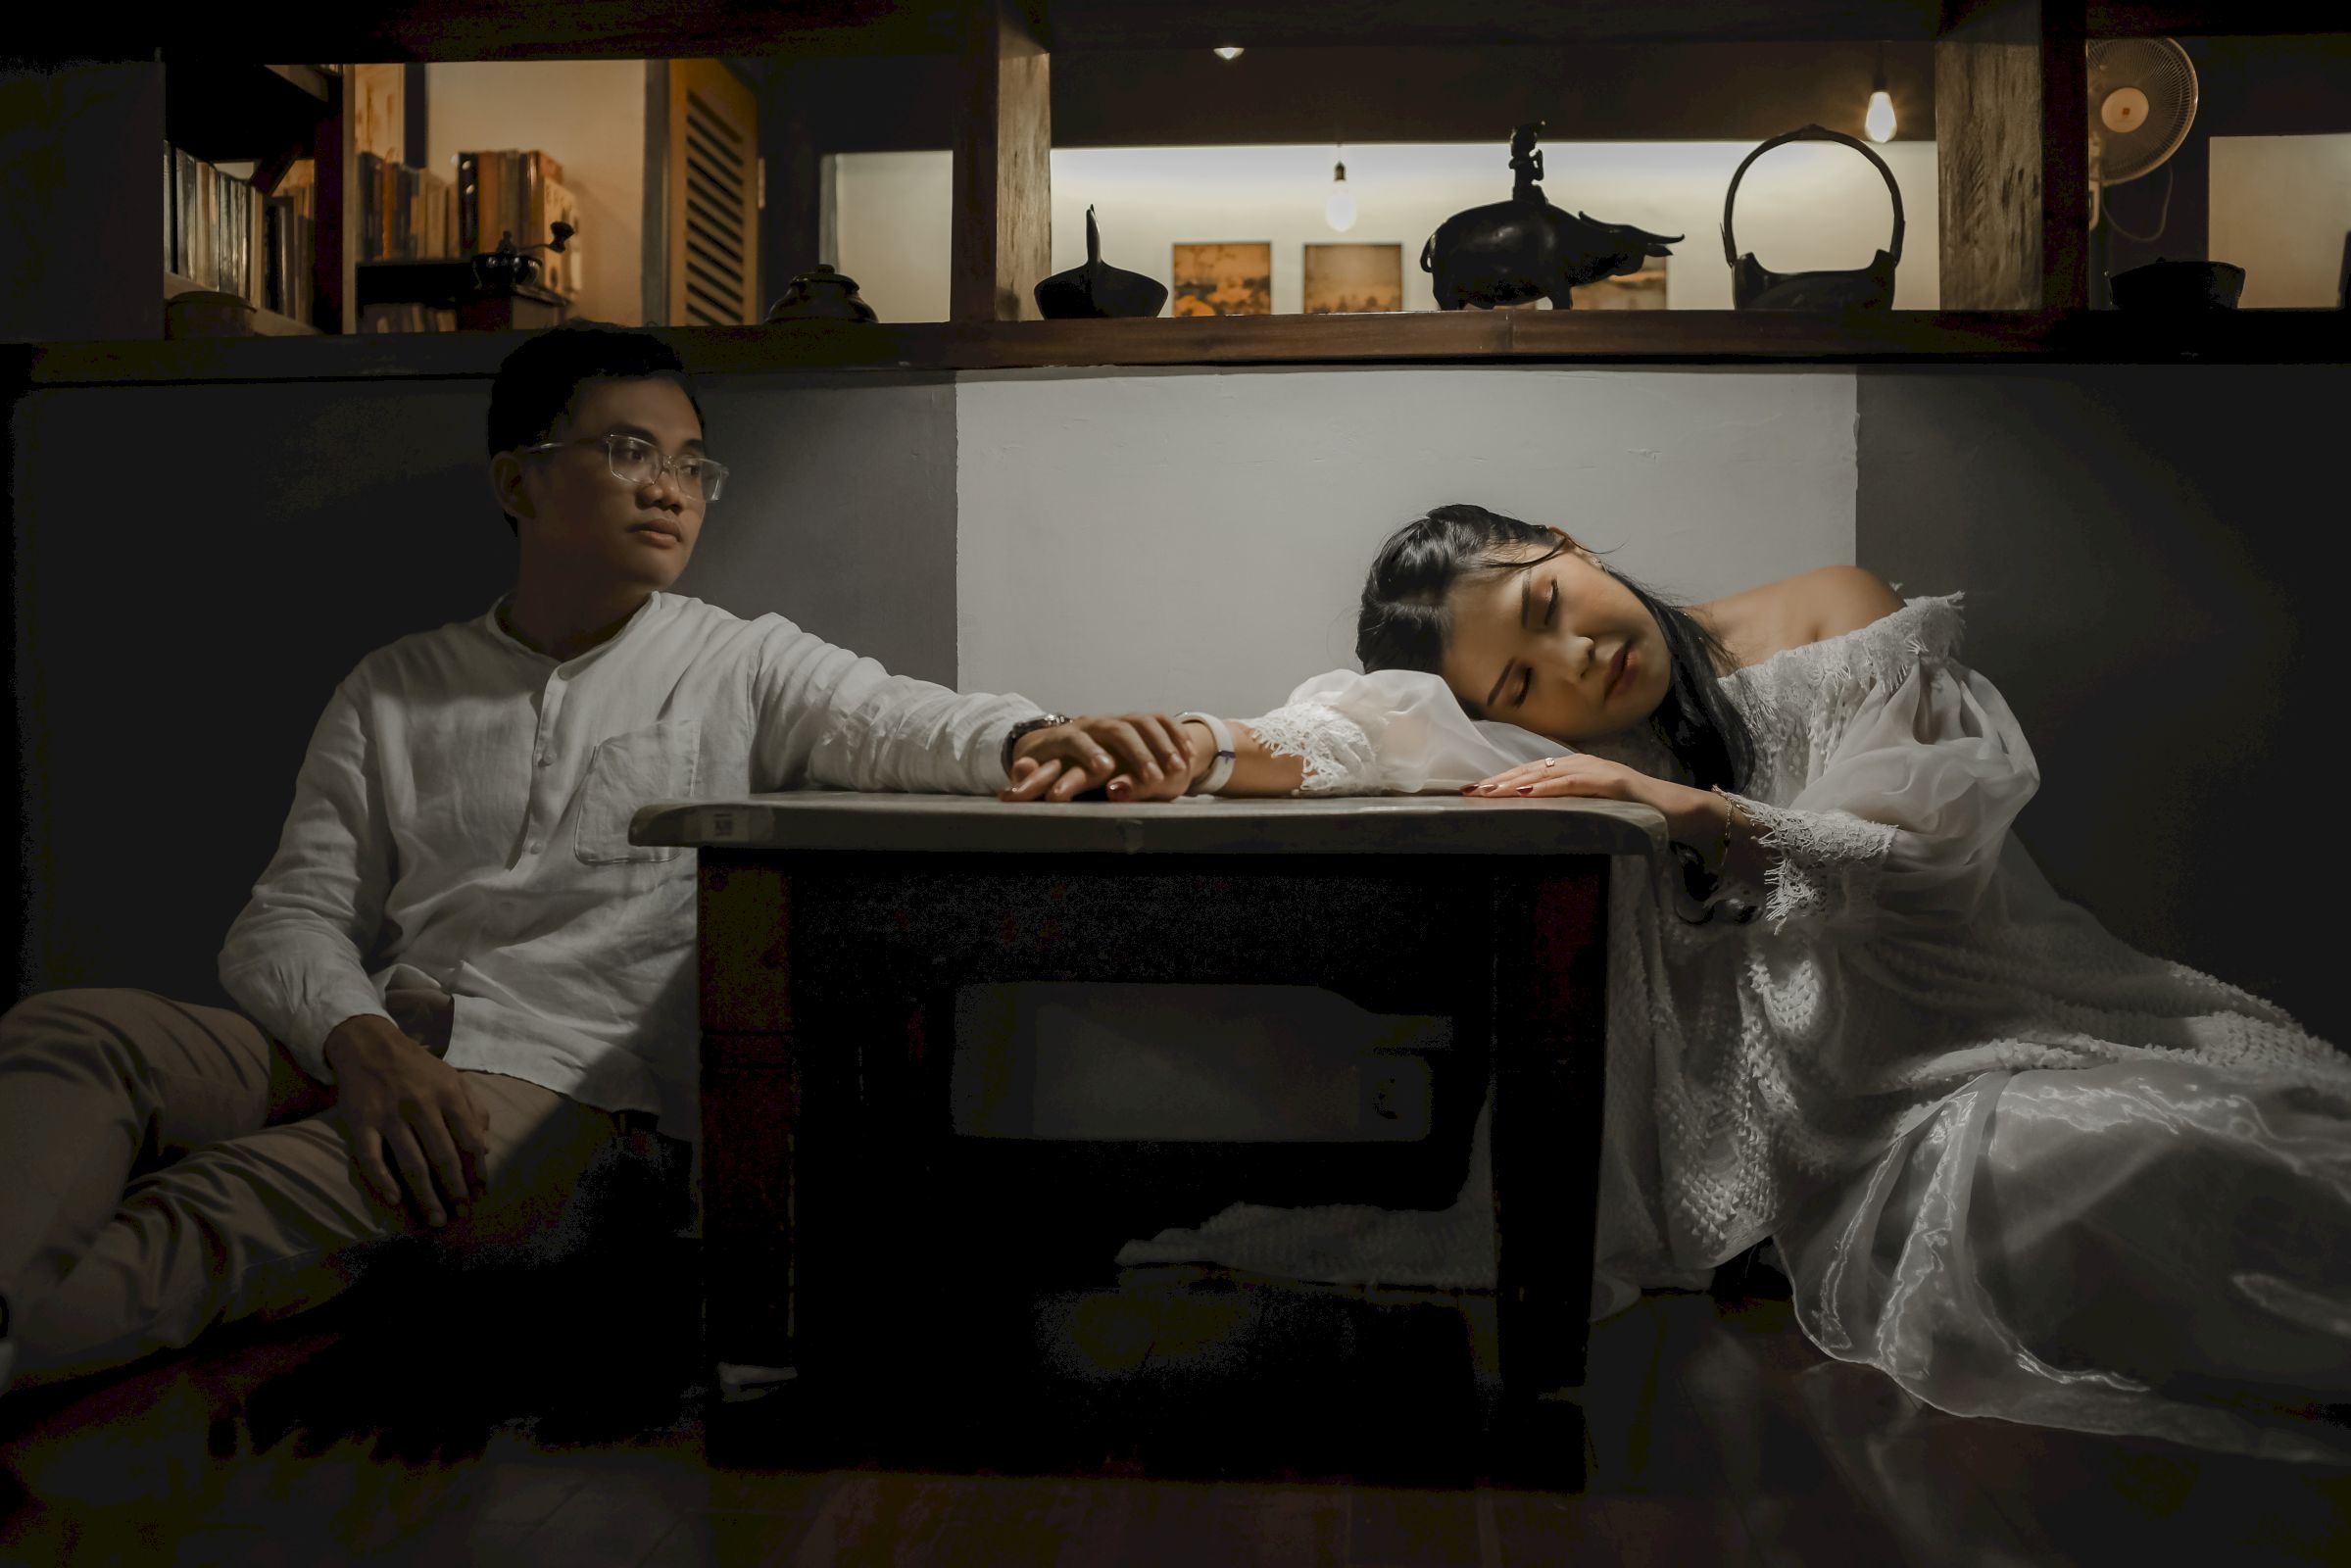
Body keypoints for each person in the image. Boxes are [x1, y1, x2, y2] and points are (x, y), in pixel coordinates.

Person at [0, 322, 1204, 1396]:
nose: (671, 488)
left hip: (573, 1098)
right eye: (630, 452)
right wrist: (359, 1041)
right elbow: (288, 918)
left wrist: (1034, 735)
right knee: (72, 1032)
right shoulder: (398, 683)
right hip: (379, 1039)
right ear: (515, 480)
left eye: (691, 464)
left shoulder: (741, 661)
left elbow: (897, 719)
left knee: (205, 1213)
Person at [1107, 502, 2351, 1462]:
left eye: (1549, 601)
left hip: (1985, 1015)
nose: (1575, 659)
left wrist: (1690, 809)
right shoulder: (1552, 747)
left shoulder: (1832, 611)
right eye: (1519, 683)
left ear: (1567, 545)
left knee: (2217, 1136)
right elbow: (1358, 734)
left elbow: (1924, 850)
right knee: (2070, 1182)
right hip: (1858, 1129)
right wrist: (1192, 747)